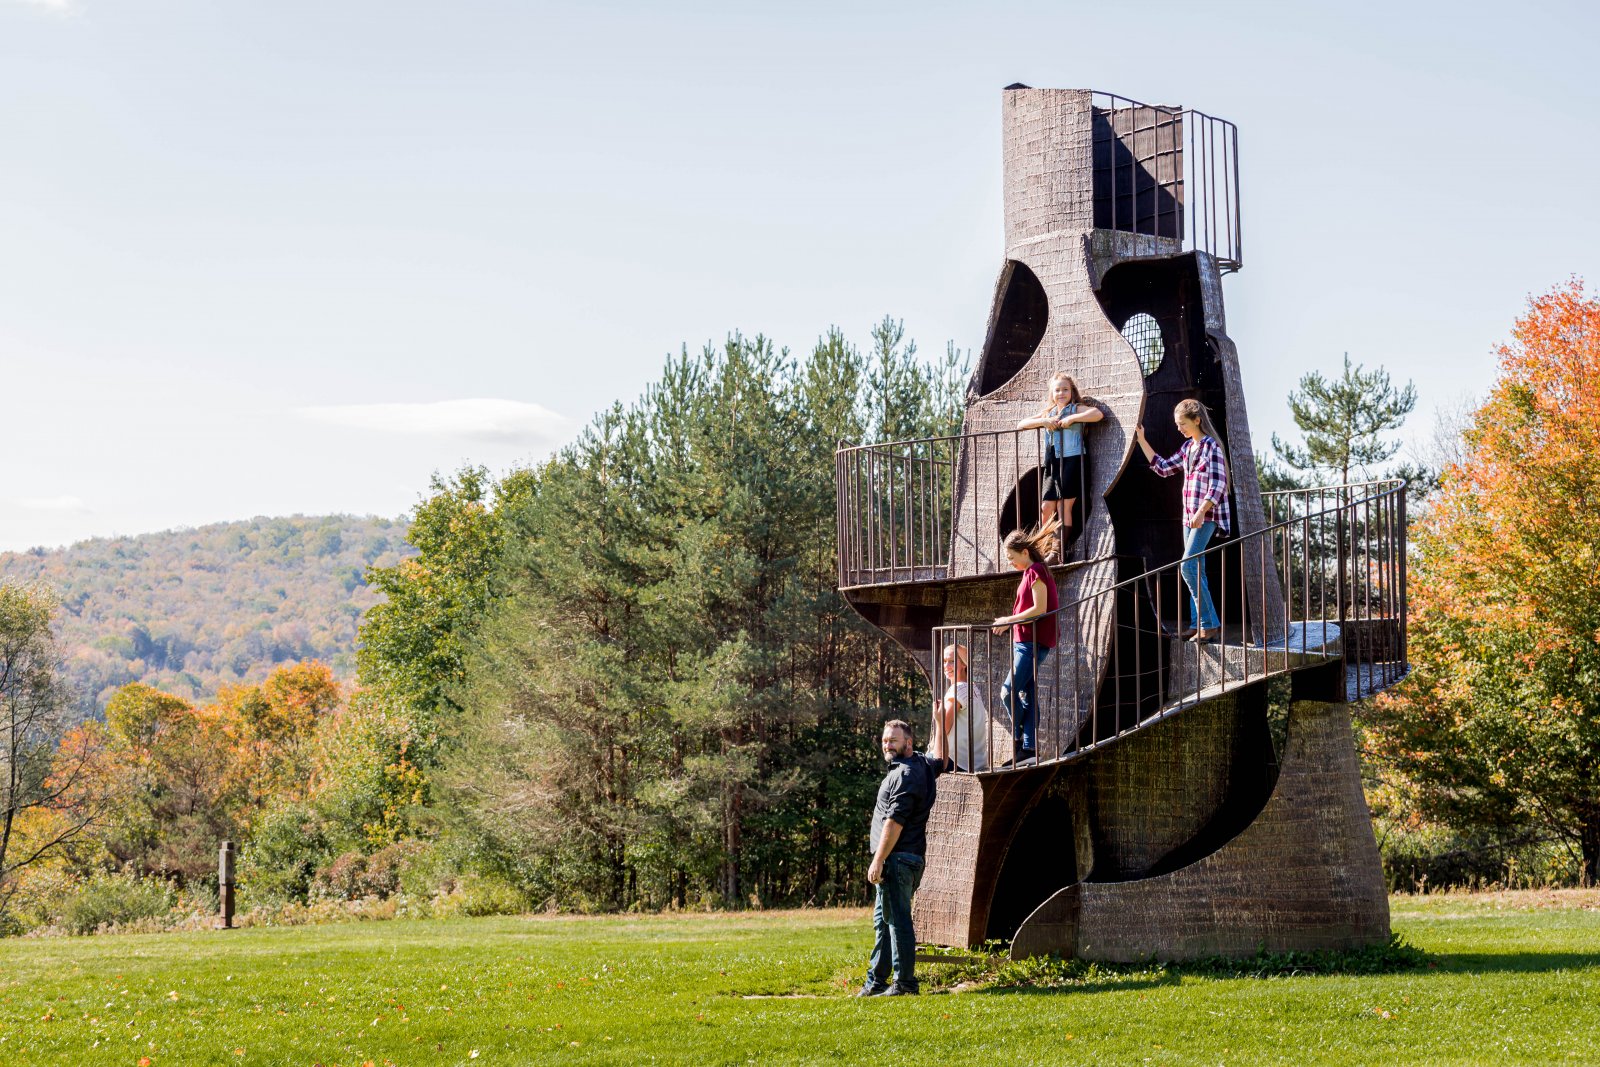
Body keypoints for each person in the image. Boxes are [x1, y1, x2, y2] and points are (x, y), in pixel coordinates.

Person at [858, 719, 952, 998]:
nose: (887, 744)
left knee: (897, 921)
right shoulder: (922, 765)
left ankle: (905, 984)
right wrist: (939, 724)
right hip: (907, 859)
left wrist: (878, 860)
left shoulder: (904, 776)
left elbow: (894, 822)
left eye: (893, 740)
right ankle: (876, 981)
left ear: (908, 743)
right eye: (885, 740)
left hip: (897, 860)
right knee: (883, 921)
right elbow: (941, 759)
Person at [1133, 398, 1231, 643]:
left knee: (1187, 566)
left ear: (1197, 420)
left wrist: (1200, 512)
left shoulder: (1211, 447)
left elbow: (1219, 485)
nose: (1179, 428)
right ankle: (1197, 623)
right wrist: (1142, 440)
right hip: (1190, 518)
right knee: (1196, 569)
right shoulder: (1189, 448)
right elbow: (1164, 468)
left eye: (1182, 423)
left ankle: (1209, 624)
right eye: (1177, 424)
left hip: (1205, 516)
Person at [989, 521, 1060, 766]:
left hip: (1032, 643)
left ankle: (1020, 738)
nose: (1010, 562)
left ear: (1025, 553)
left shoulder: (1036, 571)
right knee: (1026, 694)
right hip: (1026, 642)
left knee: (1007, 691)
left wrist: (1009, 619)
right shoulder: (1032, 572)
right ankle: (1028, 748)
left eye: (1011, 557)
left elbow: (1039, 609)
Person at [1016, 372, 1103, 561]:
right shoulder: (1049, 412)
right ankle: (1045, 547)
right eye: (1057, 390)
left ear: (1072, 391)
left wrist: (1073, 419)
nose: (1061, 393)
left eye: (1065, 389)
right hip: (1052, 463)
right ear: (1052, 393)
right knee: (1046, 507)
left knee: (1064, 506)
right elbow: (1022, 424)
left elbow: (1097, 414)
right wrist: (1043, 421)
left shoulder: (1076, 408)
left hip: (1073, 460)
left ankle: (1057, 552)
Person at [931, 642, 989, 772]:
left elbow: (943, 730)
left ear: (964, 664)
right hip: (976, 762)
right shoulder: (972, 688)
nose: (946, 666)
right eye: (944, 661)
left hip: (957, 761)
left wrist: (938, 718)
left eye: (951, 661)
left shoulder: (957, 689)